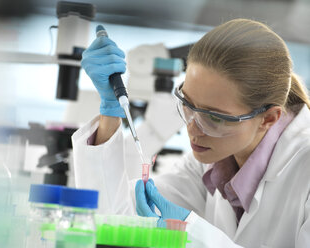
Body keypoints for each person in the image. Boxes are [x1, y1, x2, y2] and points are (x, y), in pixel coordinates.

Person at [73, 18, 310, 247]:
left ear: (268, 118)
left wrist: (193, 234)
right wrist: (110, 111)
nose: (192, 129)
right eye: (187, 104)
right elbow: (114, 220)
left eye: (215, 117)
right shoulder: (208, 166)